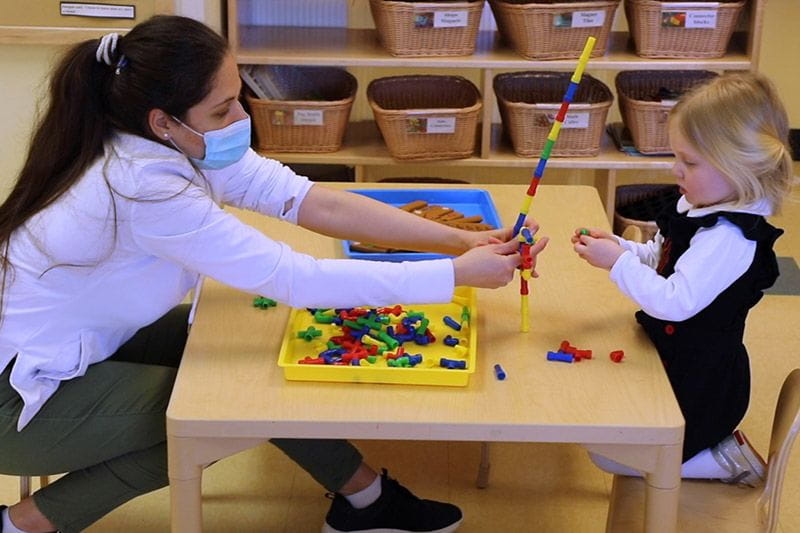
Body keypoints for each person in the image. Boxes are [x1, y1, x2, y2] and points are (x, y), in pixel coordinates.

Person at [0, 15, 548, 533]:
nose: (241, 118)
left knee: (268, 353)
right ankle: (22, 523)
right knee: (231, 409)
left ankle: (366, 499)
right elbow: (299, 280)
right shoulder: (143, 184)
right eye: (223, 109)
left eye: (237, 96)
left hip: (73, 346)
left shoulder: (179, 142)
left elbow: (318, 205)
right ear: (162, 121)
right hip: (18, 401)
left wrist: (461, 241)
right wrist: (452, 275)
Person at [571, 72, 793, 486]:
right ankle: (701, 455)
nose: (676, 170)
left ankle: (725, 461)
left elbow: (675, 300)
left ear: (740, 166)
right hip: (672, 353)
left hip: (698, 380)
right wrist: (624, 249)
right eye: (677, 157)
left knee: (609, 452)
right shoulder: (701, 201)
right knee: (602, 432)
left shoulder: (728, 236)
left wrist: (617, 264)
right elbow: (665, 257)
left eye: (689, 162)